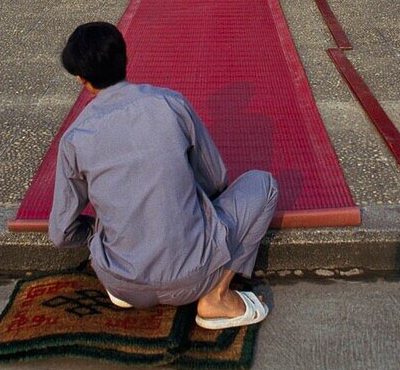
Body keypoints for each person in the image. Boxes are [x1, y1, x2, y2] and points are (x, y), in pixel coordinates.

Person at [48, 21, 278, 328]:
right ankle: (217, 296)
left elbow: (61, 232)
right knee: (263, 184)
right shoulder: (170, 104)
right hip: (194, 274)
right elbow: (216, 179)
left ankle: (128, 278)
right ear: (126, 59)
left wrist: (96, 233)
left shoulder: (75, 138)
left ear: (81, 79)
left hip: (120, 281)